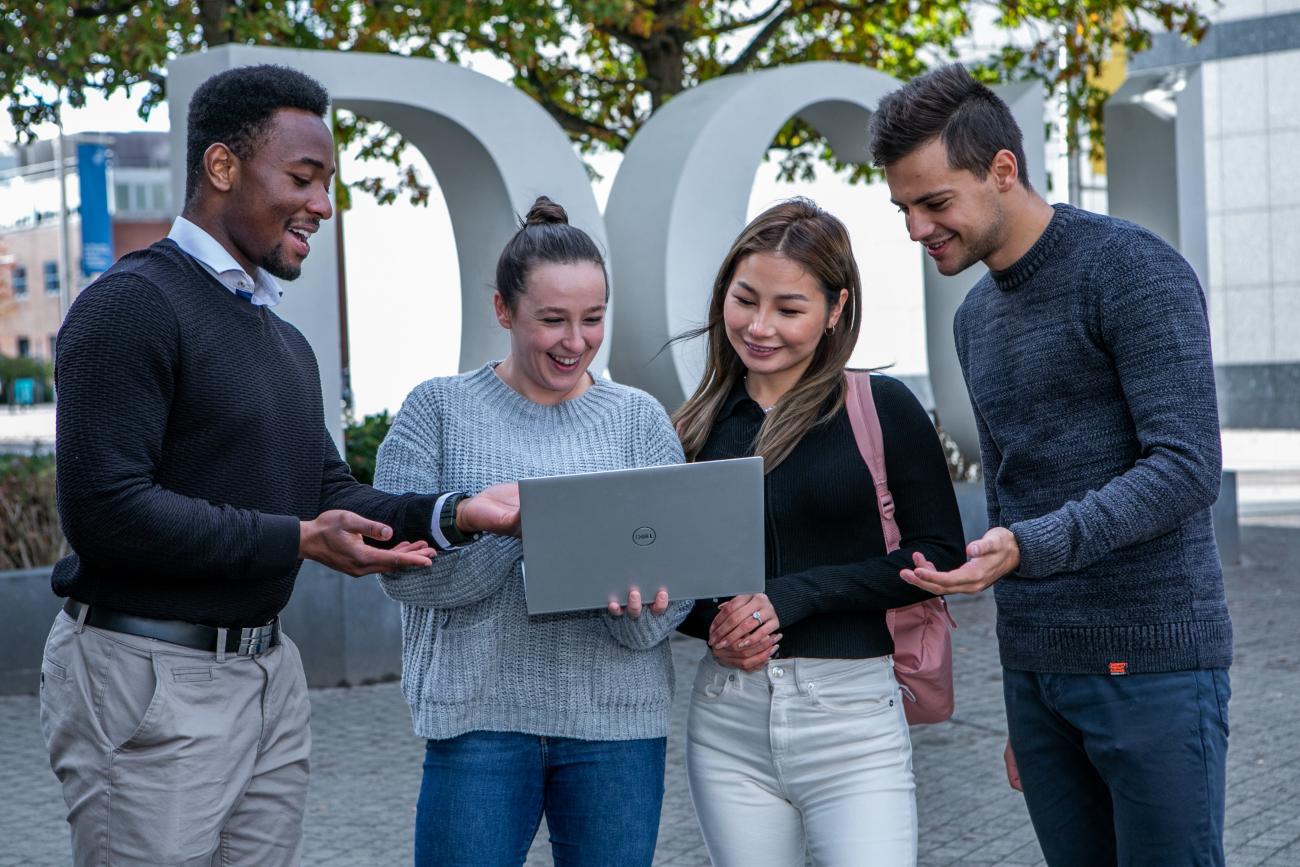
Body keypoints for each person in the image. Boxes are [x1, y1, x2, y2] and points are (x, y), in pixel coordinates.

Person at [40, 64, 518, 867]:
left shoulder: (283, 342)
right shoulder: (130, 306)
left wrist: (460, 513)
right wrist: (296, 538)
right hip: (146, 676)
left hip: (268, 676)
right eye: (304, 178)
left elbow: (325, 489)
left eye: (328, 183)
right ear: (222, 167)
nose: (323, 205)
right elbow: (107, 511)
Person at [870, 65, 1232, 866]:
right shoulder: (974, 319)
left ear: (1003, 169)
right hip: (1043, 681)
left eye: (934, 202)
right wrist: (1024, 699)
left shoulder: (1132, 270)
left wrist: (1033, 546)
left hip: (1155, 666)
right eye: (903, 208)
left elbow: (1185, 466)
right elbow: (1012, 498)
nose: (916, 229)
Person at [373, 196, 692, 867]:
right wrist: (517, 533)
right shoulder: (435, 410)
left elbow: (675, 580)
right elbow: (404, 578)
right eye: (552, 320)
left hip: (617, 726)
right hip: (479, 724)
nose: (575, 341)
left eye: (592, 319)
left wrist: (637, 609)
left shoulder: (639, 421)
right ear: (503, 311)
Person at [672, 198, 966, 866]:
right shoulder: (691, 428)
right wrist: (712, 621)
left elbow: (939, 554)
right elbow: (676, 581)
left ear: (836, 310)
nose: (760, 325)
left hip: (854, 721)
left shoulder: (880, 407)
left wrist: (790, 598)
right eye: (745, 299)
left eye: (789, 308)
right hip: (727, 718)